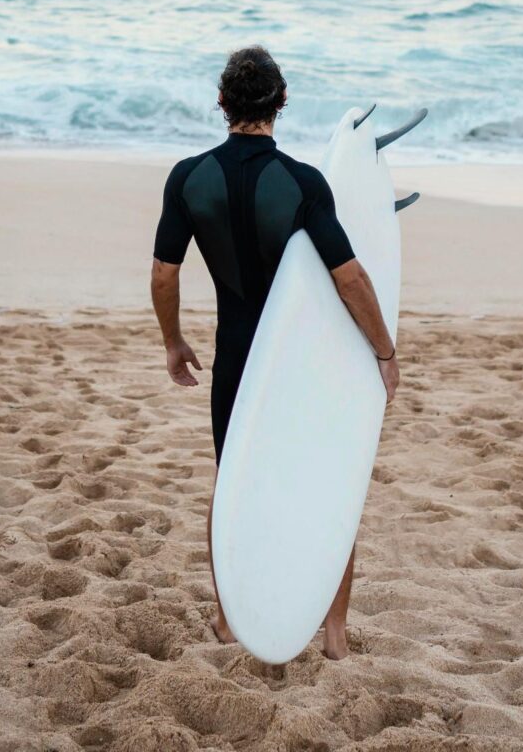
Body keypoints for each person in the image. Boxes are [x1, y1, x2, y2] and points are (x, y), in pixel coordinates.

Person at [150, 46, 399, 660]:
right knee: (324, 486)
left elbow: (163, 273)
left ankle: (230, 619)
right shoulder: (303, 184)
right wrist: (384, 351)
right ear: (281, 103)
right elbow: (350, 279)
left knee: (233, 485)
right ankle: (335, 633)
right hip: (301, 361)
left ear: (222, 103)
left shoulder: (188, 178)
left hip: (236, 359)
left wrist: (173, 341)